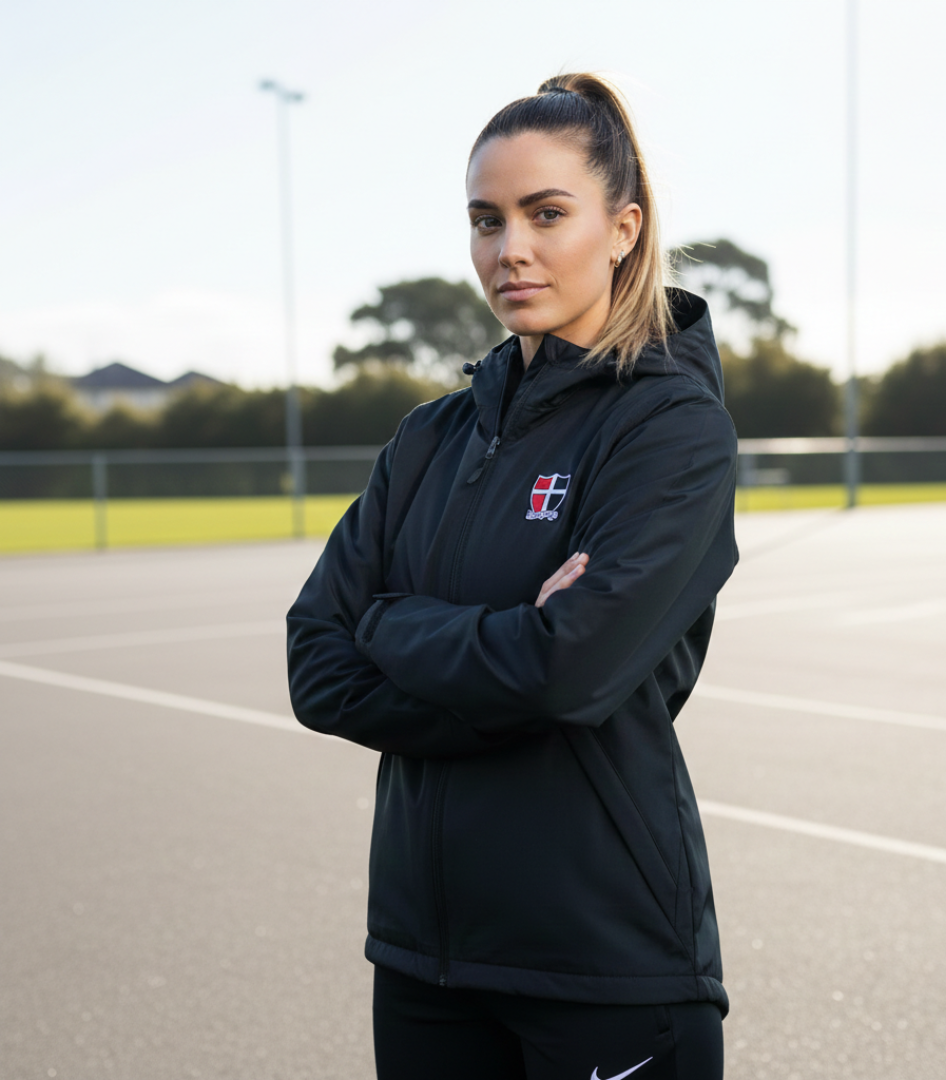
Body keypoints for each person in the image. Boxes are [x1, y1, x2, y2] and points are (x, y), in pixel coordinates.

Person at [287, 72, 739, 1080]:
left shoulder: (671, 428)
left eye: (546, 214)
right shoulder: (430, 437)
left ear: (623, 228)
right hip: (423, 960)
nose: (510, 249)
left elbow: (567, 669)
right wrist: (508, 658)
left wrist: (394, 626)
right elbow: (316, 666)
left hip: (602, 966)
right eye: (486, 220)